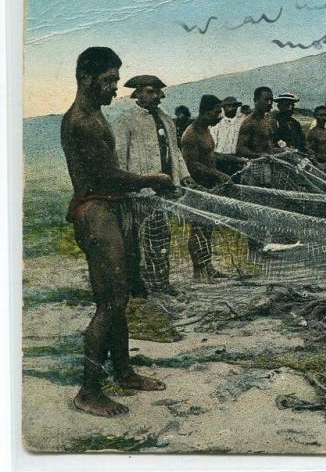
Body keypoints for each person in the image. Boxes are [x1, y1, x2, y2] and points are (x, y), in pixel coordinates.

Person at [61, 47, 172, 417]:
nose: (114, 88)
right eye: (109, 80)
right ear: (85, 79)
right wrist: (150, 179)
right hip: (95, 213)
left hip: (109, 208)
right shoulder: (82, 121)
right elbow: (104, 177)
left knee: (119, 297)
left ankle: (123, 372)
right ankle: (88, 391)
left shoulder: (94, 114)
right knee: (109, 303)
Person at [115, 74, 192, 297]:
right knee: (136, 240)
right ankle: (137, 287)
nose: (156, 96)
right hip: (139, 192)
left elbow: (175, 151)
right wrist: (126, 186)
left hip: (163, 189)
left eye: (158, 92)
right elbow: (120, 156)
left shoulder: (166, 120)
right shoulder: (126, 120)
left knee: (160, 236)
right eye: (150, 92)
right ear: (137, 93)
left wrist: (183, 177)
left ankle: (161, 283)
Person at [181, 95, 242, 281]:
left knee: (207, 228)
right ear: (205, 112)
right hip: (197, 186)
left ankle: (208, 266)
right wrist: (219, 175)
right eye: (216, 112)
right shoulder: (191, 134)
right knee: (198, 227)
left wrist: (233, 159)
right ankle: (199, 272)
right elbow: (193, 165)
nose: (220, 116)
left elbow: (210, 155)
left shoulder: (206, 130)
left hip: (209, 186)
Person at [236, 86, 275, 158]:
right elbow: (240, 149)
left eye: (271, 100)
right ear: (255, 100)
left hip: (269, 164)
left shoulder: (267, 121)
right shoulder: (249, 122)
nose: (270, 103)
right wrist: (258, 155)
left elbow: (269, 148)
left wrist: (283, 150)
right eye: (266, 100)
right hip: (256, 165)